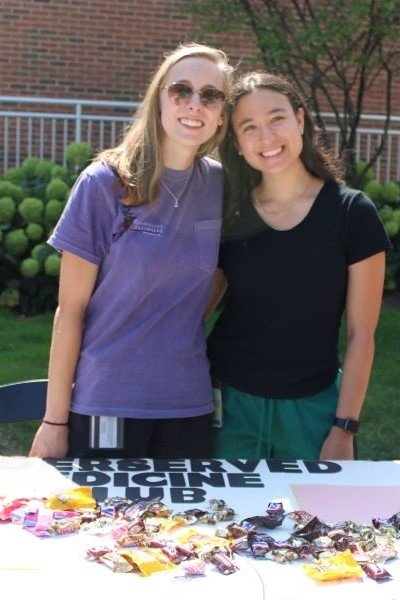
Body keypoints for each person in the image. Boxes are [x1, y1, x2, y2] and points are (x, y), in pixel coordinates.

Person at [29, 42, 232, 459]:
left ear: (221, 115)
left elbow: (221, 274)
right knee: (107, 524)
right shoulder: (104, 183)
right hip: (108, 403)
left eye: (210, 96)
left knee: (188, 526)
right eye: (181, 90)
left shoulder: (220, 186)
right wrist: (54, 421)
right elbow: (70, 310)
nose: (195, 104)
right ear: (158, 98)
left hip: (187, 405)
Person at [207, 71, 391, 461]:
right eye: (250, 127)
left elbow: (362, 335)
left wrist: (344, 429)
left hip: (314, 410)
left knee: (319, 522)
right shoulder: (230, 215)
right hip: (231, 406)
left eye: (277, 118)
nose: (268, 137)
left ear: (301, 121)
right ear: (238, 144)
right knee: (218, 523)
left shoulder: (352, 214)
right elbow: (193, 312)